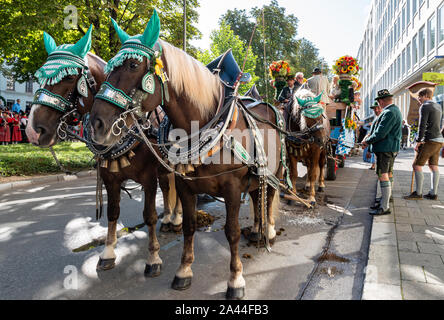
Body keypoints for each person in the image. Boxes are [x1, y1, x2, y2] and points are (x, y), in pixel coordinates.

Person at [362, 89, 403, 216]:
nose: (378, 104)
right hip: (389, 148)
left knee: (382, 174)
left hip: (385, 148)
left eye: (378, 102)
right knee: (388, 173)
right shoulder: (392, 110)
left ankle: (384, 207)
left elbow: (381, 133)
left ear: (381, 101)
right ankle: (386, 198)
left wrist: (367, 141)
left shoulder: (389, 112)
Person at [404, 88, 444, 200]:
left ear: (426, 95)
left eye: (420, 97)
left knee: (416, 165)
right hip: (439, 140)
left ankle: (418, 193)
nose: (419, 100)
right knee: (433, 166)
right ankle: (433, 193)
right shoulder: (438, 106)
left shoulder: (425, 106)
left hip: (429, 140)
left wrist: (418, 141)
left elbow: (423, 125)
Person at [363, 101, 383, 170]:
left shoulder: (383, 119)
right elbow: (371, 134)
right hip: (376, 148)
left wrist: (367, 142)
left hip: (382, 150)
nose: (376, 110)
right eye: (374, 109)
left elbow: (377, 135)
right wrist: (369, 150)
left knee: (383, 172)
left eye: (378, 108)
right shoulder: (376, 119)